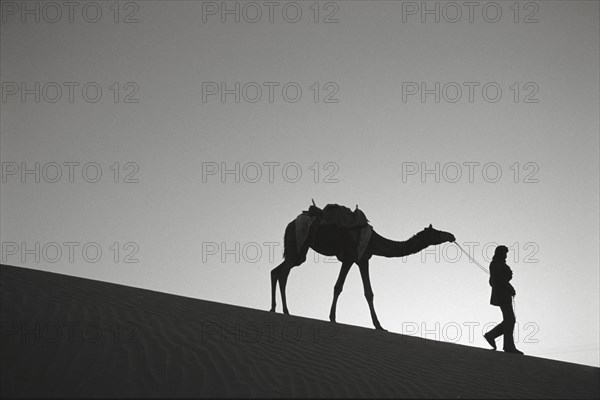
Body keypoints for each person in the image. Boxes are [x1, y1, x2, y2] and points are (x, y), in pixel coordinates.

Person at [483, 245, 524, 355]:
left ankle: (492, 336)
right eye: (504, 253)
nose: (505, 255)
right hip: (502, 294)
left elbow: (503, 277)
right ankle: (508, 345)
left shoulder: (499, 264)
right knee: (510, 319)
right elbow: (498, 279)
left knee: (509, 320)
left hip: (504, 294)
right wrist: (510, 287)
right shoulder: (496, 264)